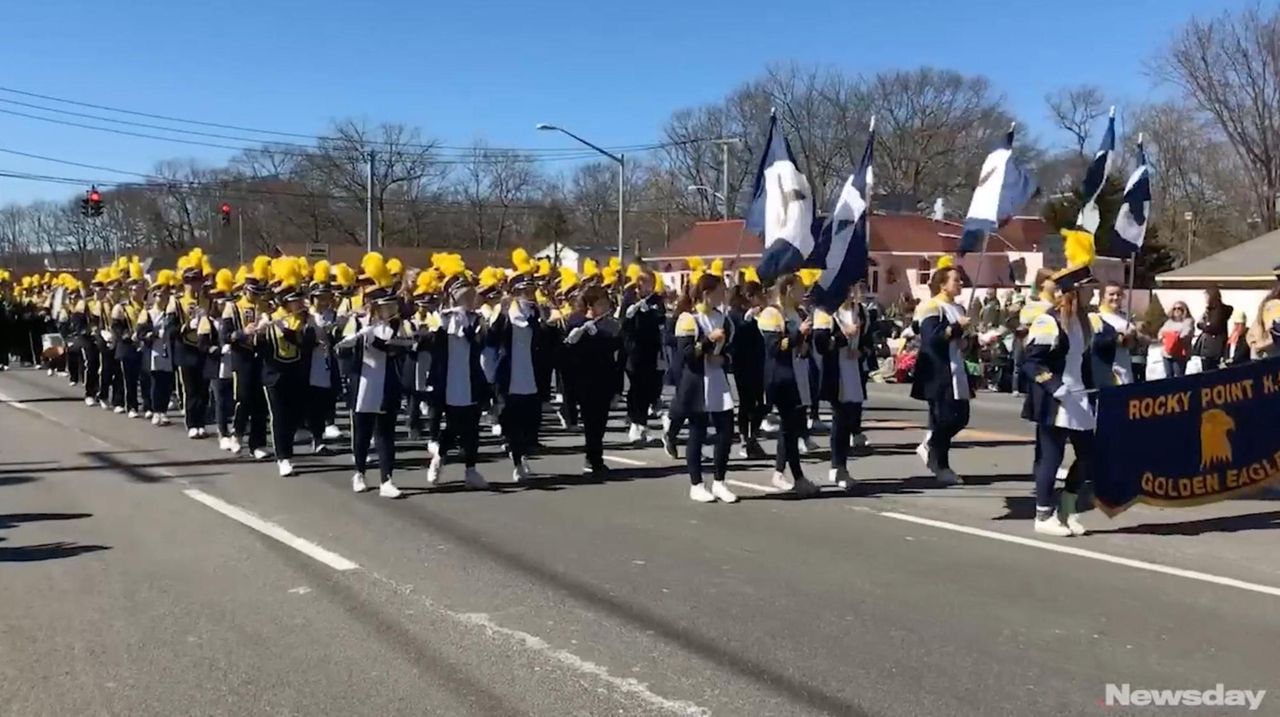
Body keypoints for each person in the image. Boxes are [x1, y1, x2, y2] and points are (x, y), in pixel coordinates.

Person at [1021, 234, 1116, 537]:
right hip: (1057, 399)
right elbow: (1031, 362)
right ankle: (1043, 514)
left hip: (1080, 398)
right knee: (1051, 457)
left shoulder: (1085, 324)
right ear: (1073, 292)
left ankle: (1068, 505)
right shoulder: (1049, 322)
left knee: (1090, 456)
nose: (1093, 294)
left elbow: (1086, 361)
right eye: (1087, 289)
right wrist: (1056, 387)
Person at [338, 278, 409, 498]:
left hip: (387, 384)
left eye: (393, 305)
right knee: (362, 432)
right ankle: (359, 472)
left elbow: (399, 349)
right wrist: (355, 339)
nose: (392, 309)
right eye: (386, 305)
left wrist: (380, 342)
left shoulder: (399, 325)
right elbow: (342, 349)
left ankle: (387, 479)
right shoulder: (359, 323)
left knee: (385, 433)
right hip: (363, 383)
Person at [425, 256, 491, 490]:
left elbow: (481, 344)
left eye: (469, 294)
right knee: (453, 426)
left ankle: (470, 470)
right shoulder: (443, 319)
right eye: (462, 295)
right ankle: (440, 457)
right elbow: (431, 343)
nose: (467, 298)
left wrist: (475, 328)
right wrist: (437, 326)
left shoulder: (477, 319)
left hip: (470, 378)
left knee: (472, 428)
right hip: (448, 379)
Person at [672, 272, 737, 504]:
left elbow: (731, 351)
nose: (723, 296)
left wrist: (724, 359)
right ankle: (696, 483)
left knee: (725, 431)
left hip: (718, 380)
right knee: (697, 432)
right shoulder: (689, 319)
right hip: (697, 382)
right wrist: (709, 340)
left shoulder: (723, 318)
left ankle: (720, 481)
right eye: (720, 292)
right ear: (707, 294)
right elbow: (687, 354)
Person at [757, 273, 819, 498]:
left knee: (792, 427)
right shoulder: (772, 313)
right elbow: (774, 348)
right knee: (789, 426)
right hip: (781, 377)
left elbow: (802, 344)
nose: (804, 293)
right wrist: (797, 334)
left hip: (800, 373)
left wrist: (805, 342)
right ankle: (795, 476)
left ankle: (782, 471)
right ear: (790, 289)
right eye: (801, 288)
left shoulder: (800, 313)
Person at [910, 262, 972, 486]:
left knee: (961, 417)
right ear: (943, 285)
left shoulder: (959, 308)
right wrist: (955, 328)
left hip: (957, 368)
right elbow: (931, 338)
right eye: (956, 280)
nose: (961, 283)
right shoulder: (931, 307)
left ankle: (932, 446)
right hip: (937, 371)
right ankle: (940, 463)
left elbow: (959, 339)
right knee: (945, 417)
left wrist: (968, 340)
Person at [489, 252, 544, 482]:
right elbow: (491, 340)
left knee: (529, 421)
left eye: (531, 291)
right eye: (525, 292)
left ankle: (522, 455)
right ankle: (517, 461)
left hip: (530, 373)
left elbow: (541, 344)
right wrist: (500, 314)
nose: (530, 296)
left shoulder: (535, 314)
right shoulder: (504, 315)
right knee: (512, 420)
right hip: (509, 375)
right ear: (515, 294)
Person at [563, 284, 623, 479]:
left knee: (601, 421)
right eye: (602, 303)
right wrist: (581, 332)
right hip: (585, 379)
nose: (606, 307)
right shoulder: (576, 321)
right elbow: (570, 348)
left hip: (604, 377)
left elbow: (615, 345)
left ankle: (596, 458)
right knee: (591, 421)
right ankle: (592, 459)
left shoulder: (607, 325)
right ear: (591, 304)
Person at [817, 283, 870, 490]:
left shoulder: (861, 312)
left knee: (851, 419)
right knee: (840, 420)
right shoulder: (827, 313)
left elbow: (867, 341)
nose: (851, 292)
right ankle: (837, 466)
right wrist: (842, 336)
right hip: (835, 372)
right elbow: (820, 343)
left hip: (854, 370)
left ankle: (842, 464)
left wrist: (862, 351)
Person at [621, 265, 665, 446]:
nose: (647, 287)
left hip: (651, 349)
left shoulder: (656, 300)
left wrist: (652, 313)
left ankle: (642, 423)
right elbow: (623, 324)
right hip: (634, 349)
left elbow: (662, 319)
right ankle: (635, 422)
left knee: (650, 387)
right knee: (636, 386)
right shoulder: (629, 298)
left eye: (651, 283)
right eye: (644, 283)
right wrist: (630, 314)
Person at [729, 271, 768, 460]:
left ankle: (753, 435)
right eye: (759, 295)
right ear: (750, 296)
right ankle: (745, 438)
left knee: (762, 403)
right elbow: (736, 333)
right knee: (747, 402)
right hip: (742, 362)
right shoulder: (735, 313)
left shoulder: (763, 313)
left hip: (760, 361)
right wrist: (749, 317)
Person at [1095, 282, 1139, 385]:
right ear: (1102, 297)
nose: (1116, 297)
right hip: (1110, 374)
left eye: (1119, 294)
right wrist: (1123, 338)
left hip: (1126, 371)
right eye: (1111, 294)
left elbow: (1134, 344)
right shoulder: (1098, 317)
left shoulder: (1125, 317)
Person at [1193, 288, 1232, 371]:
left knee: (1211, 372)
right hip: (1206, 346)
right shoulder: (1208, 310)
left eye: (1207, 297)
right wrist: (1203, 325)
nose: (1205, 299)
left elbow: (1214, 327)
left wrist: (1204, 326)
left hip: (1214, 347)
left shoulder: (1219, 311)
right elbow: (1200, 323)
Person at [1159, 302, 1194, 378]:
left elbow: (1186, 334)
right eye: (1174, 308)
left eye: (1179, 308)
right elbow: (1160, 334)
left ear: (1184, 310)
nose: (1176, 310)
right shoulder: (1168, 322)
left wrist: (1172, 336)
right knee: (1168, 376)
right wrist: (1165, 339)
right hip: (1167, 354)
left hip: (1179, 354)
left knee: (1178, 377)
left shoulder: (1188, 321)